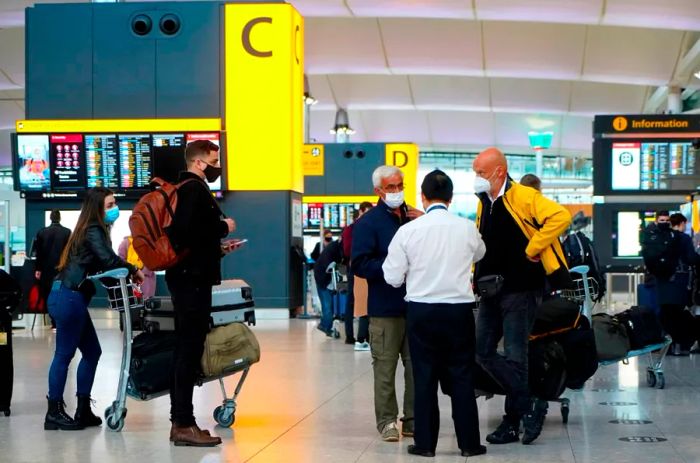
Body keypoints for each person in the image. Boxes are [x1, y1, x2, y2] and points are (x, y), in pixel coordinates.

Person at [383, 170, 487, 458]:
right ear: (451, 198)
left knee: (424, 377)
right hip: (459, 312)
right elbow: (479, 253)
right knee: (463, 377)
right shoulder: (466, 228)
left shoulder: (408, 231)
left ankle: (425, 445)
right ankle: (469, 444)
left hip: (422, 311)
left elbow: (391, 276)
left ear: (423, 197)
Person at [473, 147, 571, 445]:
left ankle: (512, 422)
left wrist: (533, 249)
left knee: (517, 355)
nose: (476, 178)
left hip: (520, 289)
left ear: (499, 171)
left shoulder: (523, 196)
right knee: (482, 351)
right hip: (491, 290)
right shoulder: (484, 202)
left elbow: (561, 216)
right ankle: (531, 400)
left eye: (481, 173)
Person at [45, 188, 145, 431]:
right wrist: (133, 269)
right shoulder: (93, 229)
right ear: (97, 208)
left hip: (69, 296)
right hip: (68, 297)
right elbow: (108, 260)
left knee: (92, 352)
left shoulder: (89, 231)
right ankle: (53, 413)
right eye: (109, 205)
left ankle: (82, 409)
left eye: (114, 203)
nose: (114, 209)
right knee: (64, 354)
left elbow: (101, 266)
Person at [166, 139, 237, 447]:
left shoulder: (186, 189)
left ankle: (183, 421)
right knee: (188, 349)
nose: (218, 165)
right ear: (199, 162)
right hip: (191, 280)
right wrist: (223, 227)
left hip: (189, 276)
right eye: (214, 159)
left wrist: (217, 249)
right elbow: (185, 232)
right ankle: (182, 423)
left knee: (188, 347)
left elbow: (191, 239)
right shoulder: (193, 189)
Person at [352, 165, 422, 442]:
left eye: (400, 185)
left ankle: (413, 419)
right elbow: (359, 264)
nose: (396, 192)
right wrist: (393, 266)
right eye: (390, 187)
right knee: (385, 367)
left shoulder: (415, 218)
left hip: (416, 304)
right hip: (384, 308)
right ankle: (386, 421)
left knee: (416, 366)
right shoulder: (368, 224)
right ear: (378, 191)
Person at [657, 213, 700, 356]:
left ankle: (668, 345)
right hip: (679, 282)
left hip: (663, 283)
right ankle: (681, 344)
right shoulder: (684, 238)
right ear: (681, 223)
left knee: (667, 314)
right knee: (679, 314)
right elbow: (691, 258)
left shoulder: (661, 237)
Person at [341, 201, 373, 351]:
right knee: (355, 302)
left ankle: (362, 336)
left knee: (361, 302)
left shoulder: (367, 228)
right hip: (355, 269)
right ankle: (354, 337)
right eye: (365, 212)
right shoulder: (352, 229)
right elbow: (347, 251)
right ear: (360, 212)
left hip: (363, 268)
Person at [34, 209, 71, 331]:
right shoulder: (67, 232)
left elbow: (38, 253)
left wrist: (38, 269)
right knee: (61, 294)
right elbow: (70, 252)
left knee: (48, 294)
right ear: (59, 218)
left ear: (50, 218)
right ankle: (61, 321)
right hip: (61, 269)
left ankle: (53, 321)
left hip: (46, 269)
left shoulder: (42, 232)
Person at [313, 235, 344, 337]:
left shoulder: (336, 248)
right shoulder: (333, 249)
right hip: (322, 279)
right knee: (327, 306)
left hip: (326, 279)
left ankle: (327, 327)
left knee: (328, 305)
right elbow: (328, 265)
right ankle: (324, 325)